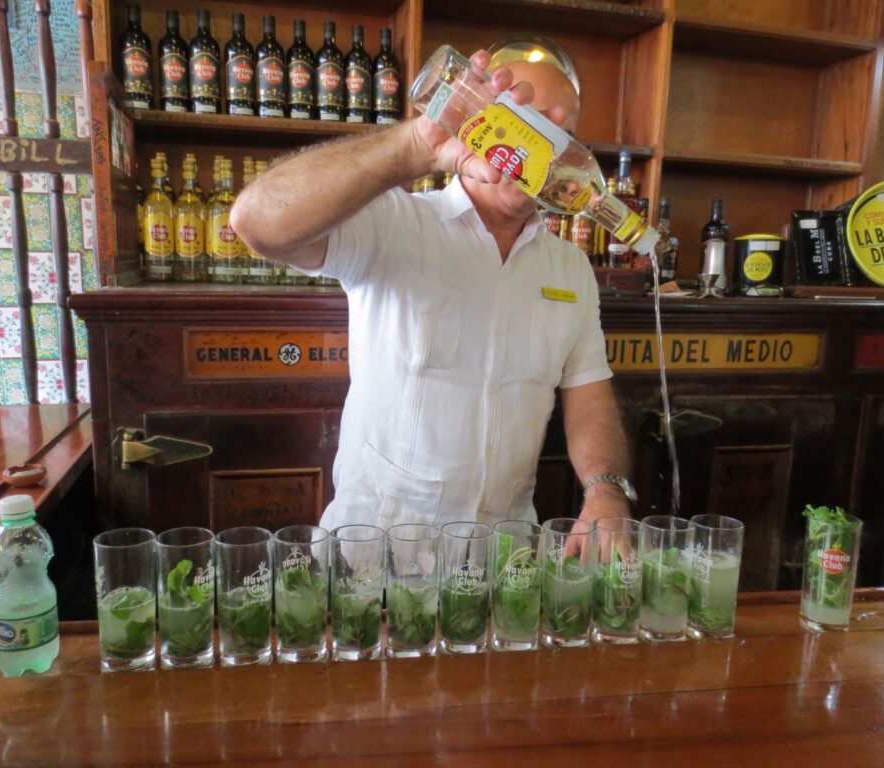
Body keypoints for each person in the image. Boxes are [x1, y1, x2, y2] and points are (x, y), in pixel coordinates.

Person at [231, 49, 634, 533]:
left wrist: (606, 491)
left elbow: (588, 396)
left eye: (560, 138)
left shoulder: (570, 268)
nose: (541, 154)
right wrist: (415, 145)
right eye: (530, 128)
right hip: (377, 556)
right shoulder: (396, 222)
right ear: (486, 121)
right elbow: (257, 223)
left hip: (501, 561)